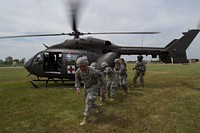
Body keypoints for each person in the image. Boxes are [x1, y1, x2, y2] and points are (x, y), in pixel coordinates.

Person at [75, 57, 103, 126]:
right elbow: (77, 79)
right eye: (79, 66)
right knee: (87, 101)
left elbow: (101, 77)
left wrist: (103, 88)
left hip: (94, 86)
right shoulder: (78, 71)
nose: (81, 68)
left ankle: (85, 119)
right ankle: (98, 106)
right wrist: (77, 87)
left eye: (82, 66)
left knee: (89, 101)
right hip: (86, 86)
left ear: (86, 65)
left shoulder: (93, 71)